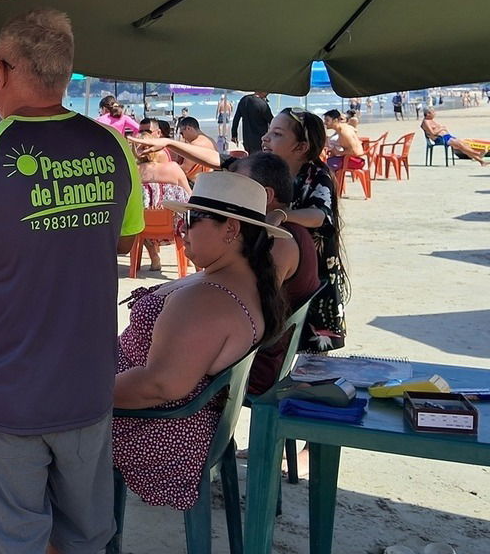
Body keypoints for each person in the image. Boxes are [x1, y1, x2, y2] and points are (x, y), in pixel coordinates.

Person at [0, 9, 143, 554]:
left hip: (9, 389)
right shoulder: (113, 147)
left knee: (17, 537)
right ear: (64, 73)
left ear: (3, 69)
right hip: (88, 383)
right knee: (87, 535)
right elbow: (126, 242)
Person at [112, 171, 289, 510]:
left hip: (156, 429)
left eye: (192, 220)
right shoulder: (246, 278)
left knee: (24, 415)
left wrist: (74, 396)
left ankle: (46, 533)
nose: (181, 228)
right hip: (189, 421)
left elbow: (160, 386)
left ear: (231, 229)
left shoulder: (208, 299)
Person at [226, 153, 321, 395]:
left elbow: (249, 307)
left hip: (259, 365)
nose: (230, 193)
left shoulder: (279, 241)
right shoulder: (293, 231)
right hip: (270, 352)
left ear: (267, 196)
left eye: (239, 186)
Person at [261, 108, 348, 351]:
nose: (265, 138)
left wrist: (283, 214)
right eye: (268, 131)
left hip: (316, 277)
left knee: (311, 359)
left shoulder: (318, 175)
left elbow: (321, 214)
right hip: (285, 272)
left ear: (301, 147)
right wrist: (170, 141)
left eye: (276, 134)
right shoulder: (272, 171)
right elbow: (223, 160)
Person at [134, 118, 190, 273]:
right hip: (174, 228)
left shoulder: (133, 172)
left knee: (142, 213)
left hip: (144, 229)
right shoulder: (173, 168)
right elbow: (189, 197)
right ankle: (192, 259)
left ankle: (154, 257)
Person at [421, 108, 487, 165]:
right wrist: (442, 128)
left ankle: (481, 161)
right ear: (428, 114)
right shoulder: (426, 122)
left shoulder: (431, 120)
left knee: (463, 145)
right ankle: (478, 153)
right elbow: (432, 133)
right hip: (440, 139)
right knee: (460, 144)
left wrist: (442, 129)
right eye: (433, 112)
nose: (435, 113)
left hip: (446, 137)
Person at [175, 117, 215, 184]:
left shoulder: (195, 145)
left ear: (188, 128)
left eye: (182, 133)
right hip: (210, 181)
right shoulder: (211, 140)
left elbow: (185, 169)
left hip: (197, 184)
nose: (183, 137)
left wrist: (171, 165)